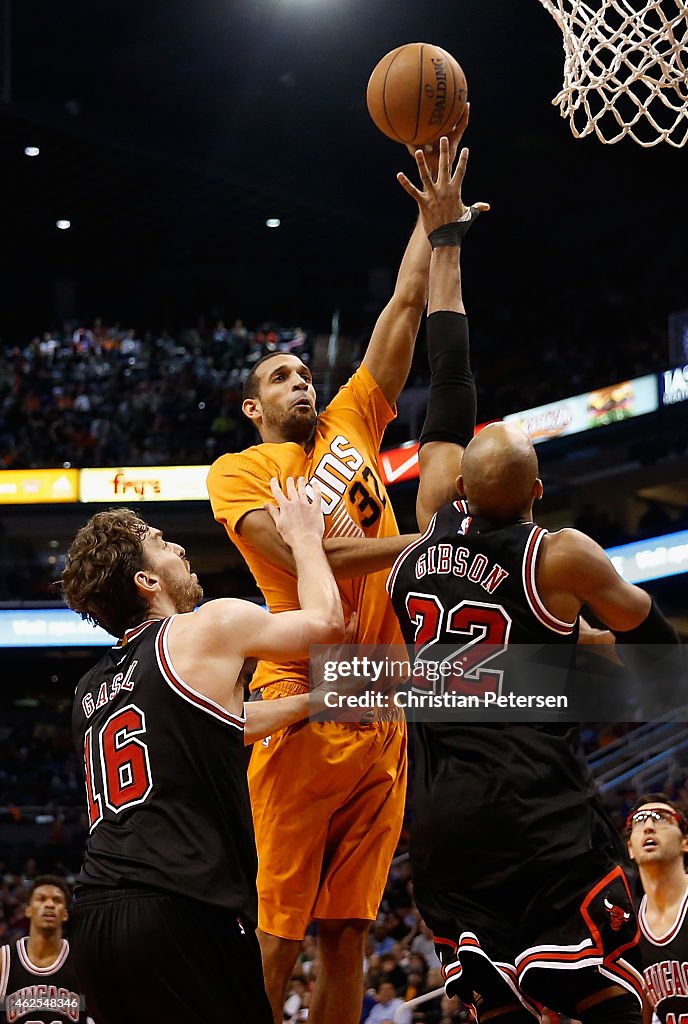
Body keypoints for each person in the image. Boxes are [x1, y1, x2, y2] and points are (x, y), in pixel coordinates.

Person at [387, 138, 683, 1023]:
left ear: (460, 487)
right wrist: (593, 649)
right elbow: (657, 653)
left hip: (440, 827)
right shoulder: (561, 555)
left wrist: (445, 241)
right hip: (534, 814)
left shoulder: (429, 511)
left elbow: (449, 371)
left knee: (498, 1010)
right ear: (539, 492)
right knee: (611, 1002)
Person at [206, 108, 481, 1024]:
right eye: (279, 377)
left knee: (347, 933)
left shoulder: (353, 422)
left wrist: (430, 222)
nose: (300, 381)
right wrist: (421, 546)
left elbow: (403, 307)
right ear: (252, 408)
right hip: (306, 693)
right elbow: (300, 553)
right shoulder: (240, 471)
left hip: (384, 701)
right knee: (278, 929)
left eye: (301, 371)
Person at [61, 479, 344, 1024]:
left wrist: (314, 700)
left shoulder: (89, 689)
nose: (180, 549)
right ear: (147, 581)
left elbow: (214, 727)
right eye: (163, 542)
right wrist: (305, 538)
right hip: (181, 906)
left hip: (97, 921)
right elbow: (327, 625)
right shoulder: (206, 625)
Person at [627, 794, 688, 1021]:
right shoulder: (632, 928)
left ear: (687, 842)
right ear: (630, 848)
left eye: (661, 818)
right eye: (639, 821)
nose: (649, 826)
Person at [0, 875, 93, 1023]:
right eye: (41, 899)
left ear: (65, 914)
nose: (49, 904)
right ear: (28, 910)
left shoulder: (81, 961)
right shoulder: (5, 960)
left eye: (57, 900)